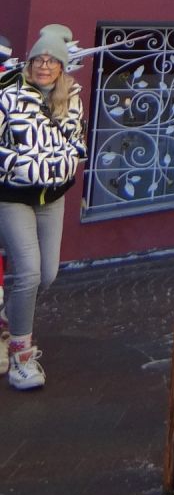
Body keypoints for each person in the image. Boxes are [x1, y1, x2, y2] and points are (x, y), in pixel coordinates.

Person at [0, 25, 86, 391]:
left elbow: (78, 142)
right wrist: (21, 165)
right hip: (13, 195)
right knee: (29, 273)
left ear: (62, 65)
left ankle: (6, 320)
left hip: (52, 197)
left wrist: (64, 164)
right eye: (39, 59)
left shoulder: (71, 98)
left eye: (52, 60)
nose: (44, 66)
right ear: (30, 61)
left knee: (47, 274)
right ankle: (21, 358)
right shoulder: (9, 94)